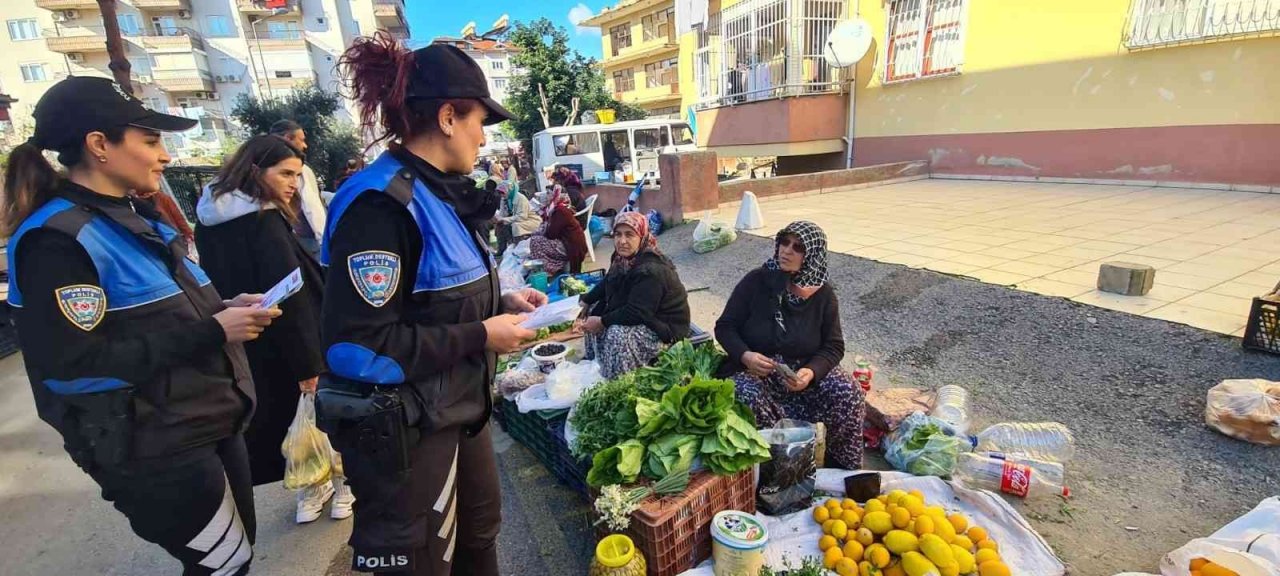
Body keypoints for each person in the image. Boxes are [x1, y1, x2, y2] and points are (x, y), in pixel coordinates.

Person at [2, 76, 280, 575]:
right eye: (150, 141)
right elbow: (74, 364)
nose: (165, 156)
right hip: (155, 443)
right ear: (99, 145)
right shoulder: (57, 240)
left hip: (206, 421)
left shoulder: (133, 217)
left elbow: (151, 317)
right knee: (225, 566)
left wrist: (221, 308)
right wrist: (215, 331)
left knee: (235, 558)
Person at [323, 35, 548, 575]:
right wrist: (481, 334)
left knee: (480, 538)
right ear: (448, 117)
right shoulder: (380, 206)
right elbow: (359, 349)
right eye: (479, 121)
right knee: (426, 561)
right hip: (411, 434)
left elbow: (429, 300)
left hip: (460, 413)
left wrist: (499, 301)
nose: (483, 137)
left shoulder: (437, 191)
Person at [194, 135, 355, 523]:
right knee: (320, 413)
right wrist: (309, 363)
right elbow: (293, 296)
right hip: (293, 336)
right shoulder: (263, 219)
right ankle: (339, 483)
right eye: (285, 174)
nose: (293, 184)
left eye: (298, 176)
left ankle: (313, 486)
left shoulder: (208, 219)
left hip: (248, 340)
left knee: (289, 418)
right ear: (255, 170)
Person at [714, 221, 865, 470]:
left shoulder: (823, 294)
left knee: (848, 391)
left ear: (812, 255)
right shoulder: (756, 281)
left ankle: (840, 470)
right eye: (784, 242)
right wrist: (745, 355)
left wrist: (811, 372)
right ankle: (778, 470)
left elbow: (834, 346)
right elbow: (725, 326)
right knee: (743, 392)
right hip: (758, 374)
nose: (786, 250)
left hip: (800, 376)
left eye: (798, 247)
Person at [578, 211, 690, 379]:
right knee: (594, 309)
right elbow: (609, 281)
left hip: (664, 328)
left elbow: (637, 312)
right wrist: (586, 301)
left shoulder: (651, 269)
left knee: (616, 334)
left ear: (642, 236)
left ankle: (621, 380)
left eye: (629, 235)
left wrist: (602, 321)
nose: (622, 241)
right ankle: (596, 364)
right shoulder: (622, 258)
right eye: (618, 234)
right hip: (644, 314)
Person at [270, 119, 327, 259]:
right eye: (301, 140)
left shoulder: (259, 168)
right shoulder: (300, 169)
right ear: (288, 138)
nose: (305, 145)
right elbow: (311, 206)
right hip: (306, 241)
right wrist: (324, 242)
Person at [529, 185, 588, 277]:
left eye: (548, 193)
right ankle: (552, 267)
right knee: (536, 236)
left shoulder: (560, 210)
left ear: (555, 195)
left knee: (535, 242)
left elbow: (551, 234)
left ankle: (551, 268)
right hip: (569, 242)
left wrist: (543, 231)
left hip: (572, 247)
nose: (546, 196)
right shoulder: (558, 207)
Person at [495, 174, 540, 257]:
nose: (501, 195)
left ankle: (518, 249)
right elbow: (502, 213)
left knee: (516, 226)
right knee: (500, 225)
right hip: (516, 219)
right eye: (500, 193)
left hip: (530, 220)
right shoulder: (504, 199)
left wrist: (505, 219)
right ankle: (502, 249)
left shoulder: (520, 198)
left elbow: (522, 216)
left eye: (503, 192)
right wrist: (500, 219)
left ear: (509, 190)